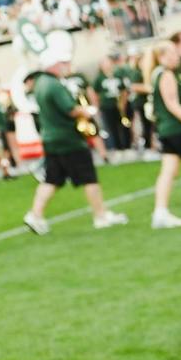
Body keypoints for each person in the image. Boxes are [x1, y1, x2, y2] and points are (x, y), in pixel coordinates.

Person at [23, 32, 128, 236]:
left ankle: (35, 214)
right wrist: (88, 111)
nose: (65, 66)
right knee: (89, 177)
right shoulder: (53, 84)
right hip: (67, 139)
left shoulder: (41, 84)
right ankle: (101, 215)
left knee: (52, 179)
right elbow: (70, 109)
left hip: (51, 138)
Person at [147, 36, 181, 229]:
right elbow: (172, 104)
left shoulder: (160, 74)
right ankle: (160, 212)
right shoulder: (166, 75)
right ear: (162, 56)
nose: (176, 56)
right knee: (168, 172)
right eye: (172, 53)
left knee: (168, 171)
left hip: (168, 130)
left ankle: (160, 212)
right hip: (178, 129)